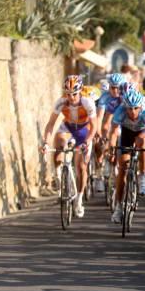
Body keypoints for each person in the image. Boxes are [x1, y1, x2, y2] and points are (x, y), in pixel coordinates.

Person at [40, 75, 98, 218]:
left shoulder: (87, 102)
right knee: (58, 144)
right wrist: (46, 142)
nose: (71, 97)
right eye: (68, 94)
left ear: (80, 91)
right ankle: (59, 176)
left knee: (81, 167)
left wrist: (87, 142)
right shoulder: (61, 102)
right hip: (67, 127)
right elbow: (51, 124)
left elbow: (94, 126)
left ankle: (79, 198)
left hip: (84, 130)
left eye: (74, 94)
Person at [108, 89, 145, 223]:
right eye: (129, 109)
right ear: (125, 107)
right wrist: (111, 149)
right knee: (122, 169)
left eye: (136, 108)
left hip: (142, 132)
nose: (133, 112)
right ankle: (118, 207)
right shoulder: (120, 110)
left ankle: (142, 175)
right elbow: (113, 133)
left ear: (141, 106)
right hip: (127, 133)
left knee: (142, 143)